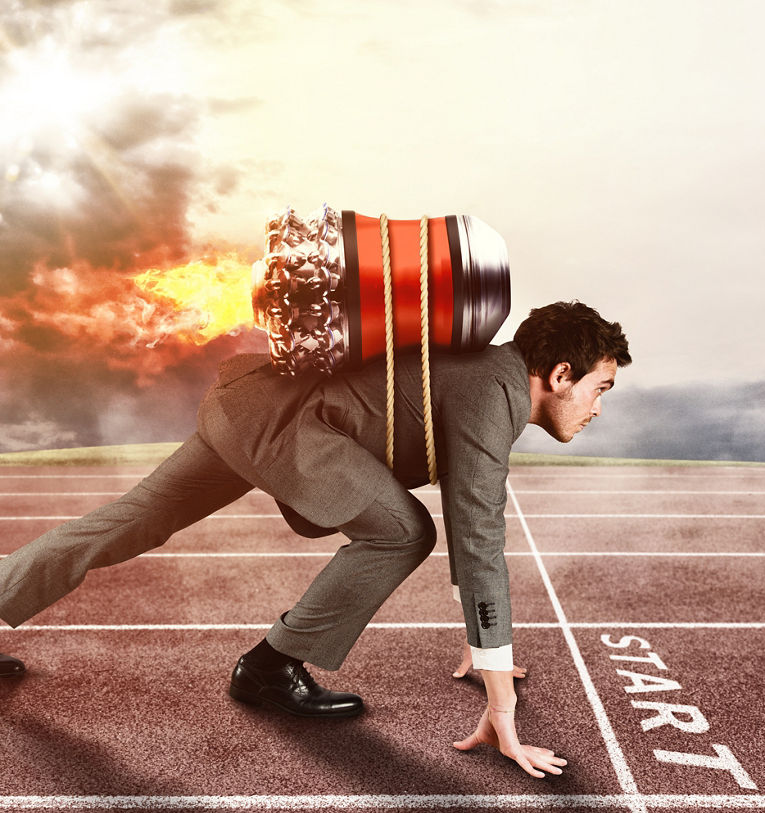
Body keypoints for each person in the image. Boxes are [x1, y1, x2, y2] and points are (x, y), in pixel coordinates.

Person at [0, 300, 631, 779]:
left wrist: (480, 646)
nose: (599, 408)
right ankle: (269, 669)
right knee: (402, 532)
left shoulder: (483, 372)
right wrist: (501, 698)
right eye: (600, 388)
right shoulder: (492, 391)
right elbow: (479, 535)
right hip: (289, 426)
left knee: (128, 519)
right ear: (560, 373)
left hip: (251, 409)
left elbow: (475, 532)